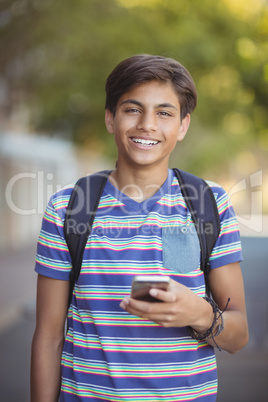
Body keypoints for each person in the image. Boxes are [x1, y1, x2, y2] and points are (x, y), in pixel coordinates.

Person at [31, 54, 248, 401]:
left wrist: (197, 312)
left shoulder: (209, 203)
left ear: (182, 126)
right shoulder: (67, 207)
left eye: (164, 112)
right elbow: (49, 335)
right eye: (132, 109)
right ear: (110, 118)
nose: (147, 124)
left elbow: (237, 337)